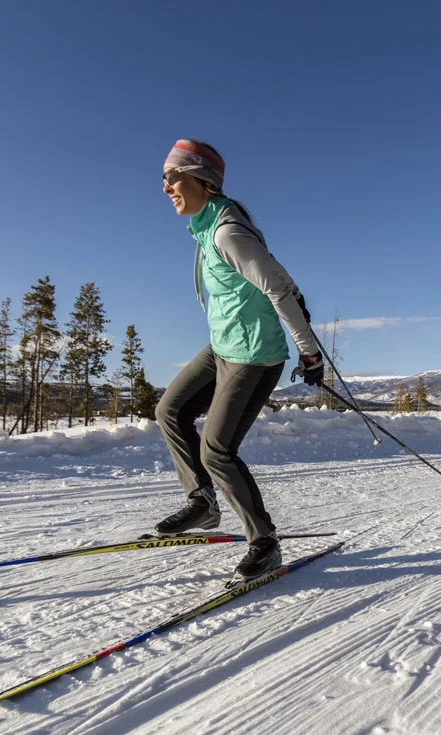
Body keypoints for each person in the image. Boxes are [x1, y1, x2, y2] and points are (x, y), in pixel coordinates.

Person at [148, 139, 324, 582]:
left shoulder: (226, 231)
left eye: (172, 177)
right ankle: (202, 502)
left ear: (203, 181)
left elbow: (276, 290)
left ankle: (264, 544)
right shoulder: (210, 227)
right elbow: (275, 269)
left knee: (218, 451)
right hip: (223, 345)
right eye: (163, 178)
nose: (165, 186)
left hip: (254, 355)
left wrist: (309, 350)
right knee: (170, 410)